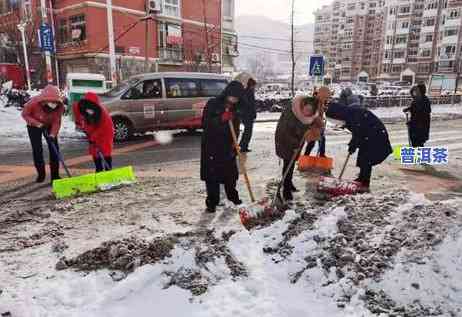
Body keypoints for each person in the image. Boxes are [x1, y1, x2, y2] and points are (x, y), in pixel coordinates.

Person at [325, 97, 393, 192]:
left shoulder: (352, 114)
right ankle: (362, 179)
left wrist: (353, 145)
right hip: (369, 136)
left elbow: (358, 132)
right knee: (364, 157)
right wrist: (352, 144)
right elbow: (357, 132)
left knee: (366, 158)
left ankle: (364, 182)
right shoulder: (349, 113)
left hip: (375, 136)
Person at [200, 81, 246, 213]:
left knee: (230, 175)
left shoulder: (235, 109)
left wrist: (235, 142)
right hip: (212, 145)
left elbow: (236, 128)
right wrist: (221, 119)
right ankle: (212, 202)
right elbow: (205, 124)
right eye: (233, 96)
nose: (234, 99)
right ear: (227, 93)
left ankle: (233, 197)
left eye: (237, 97)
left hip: (228, 146)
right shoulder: (213, 104)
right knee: (212, 176)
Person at [275, 96, 323, 201]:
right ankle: (286, 190)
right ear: (303, 105)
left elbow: (312, 124)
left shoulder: (309, 116)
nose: (307, 112)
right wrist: (294, 144)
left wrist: (317, 126)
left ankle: (289, 183)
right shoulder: (291, 112)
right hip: (284, 140)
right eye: (306, 108)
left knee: (291, 163)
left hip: (297, 142)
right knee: (288, 163)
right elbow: (284, 131)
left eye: (310, 110)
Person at [21, 85, 65, 183]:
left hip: (49, 125)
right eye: (51, 102)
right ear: (44, 100)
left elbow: (56, 122)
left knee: (54, 149)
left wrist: (52, 135)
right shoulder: (33, 102)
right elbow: (25, 114)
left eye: (55, 102)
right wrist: (37, 124)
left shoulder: (59, 107)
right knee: (37, 149)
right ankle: (41, 174)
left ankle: (55, 175)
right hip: (33, 125)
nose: (53, 104)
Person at [73, 92, 114, 172]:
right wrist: (78, 122)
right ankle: (98, 170)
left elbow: (104, 128)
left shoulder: (103, 114)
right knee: (95, 151)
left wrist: (93, 136)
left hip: (106, 132)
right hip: (92, 131)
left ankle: (108, 170)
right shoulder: (81, 107)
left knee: (105, 151)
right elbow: (75, 108)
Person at [304, 86, 331, 157]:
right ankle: (306, 156)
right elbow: (314, 115)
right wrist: (321, 123)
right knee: (313, 142)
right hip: (314, 126)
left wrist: (324, 109)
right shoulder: (316, 102)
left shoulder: (320, 101)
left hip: (317, 126)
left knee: (319, 141)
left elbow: (319, 111)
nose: (327, 99)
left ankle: (319, 155)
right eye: (326, 97)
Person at [239, 78, 257, 152]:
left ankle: (243, 145)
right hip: (247, 115)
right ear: (251, 85)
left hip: (246, 115)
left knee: (247, 131)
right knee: (248, 131)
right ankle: (243, 146)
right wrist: (253, 113)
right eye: (254, 85)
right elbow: (250, 105)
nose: (255, 87)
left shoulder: (247, 91)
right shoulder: (248, 92)